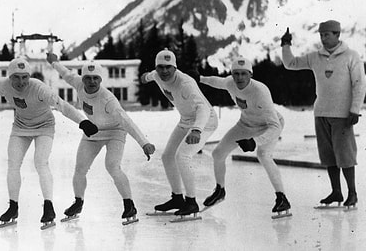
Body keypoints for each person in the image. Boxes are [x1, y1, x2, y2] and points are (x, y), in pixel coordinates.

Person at [0, 57, 98, 229]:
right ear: (10, 77)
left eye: (25, 77)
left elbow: (62, 105)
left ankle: (48, 207)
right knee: (13, 164)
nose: (21, 82)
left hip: (44, 127)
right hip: (21, 127)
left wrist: (82, 122)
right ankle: (13, 207)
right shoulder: (4, 85)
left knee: (41, 162)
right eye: (16, 77)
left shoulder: (39, 88)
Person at [46, 53, 156, 224]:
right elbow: (66, 74)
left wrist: (144, 143)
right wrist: (54, 62)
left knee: (112, 166)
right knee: (80, 168)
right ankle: (78, 202)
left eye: (95, 78)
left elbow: (126, 121)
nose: (91, 82)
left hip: (115, 132)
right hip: (93, 132)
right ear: (83, 79)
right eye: (88, 78)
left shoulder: (108, 99)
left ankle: (129, 204)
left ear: (100, 79)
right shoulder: (78, 84)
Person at [281, 20, 366, 208]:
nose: (323, 38)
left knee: (345, 155)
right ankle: (336, 192)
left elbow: (359, 84)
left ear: (337, 34)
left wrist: (354, 109)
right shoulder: (315, 57)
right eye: (321, 35)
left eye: (326, 34)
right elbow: (291, 64)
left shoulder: (351, 56)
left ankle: (352, 193)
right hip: (321, 113)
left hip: (343, 115)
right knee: (328, 156)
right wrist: (285, 45)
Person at [199, 57, 291, 216]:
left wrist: (255, 142)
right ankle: (220, 190)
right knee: (218, 154)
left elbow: (275, 126)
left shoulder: (261, 92)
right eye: (236, 73)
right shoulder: (230, 82)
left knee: (263, 155)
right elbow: (217, 81)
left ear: (251, 74)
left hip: (268, 125)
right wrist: (199, 79)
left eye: (243, 74)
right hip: (246, 124)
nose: (239, 78)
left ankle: (282, 198)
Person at [140, 49, 218, 219]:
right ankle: (177, 198)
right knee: (167, 157)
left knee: (183, 156)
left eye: (168, 67)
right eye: (161, 67)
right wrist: (145, 77)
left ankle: (191, 202)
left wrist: (197, 130)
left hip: (205, 121)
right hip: (185, 120)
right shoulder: (157, 75)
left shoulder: (186, 83)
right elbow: (148, 76)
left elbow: (203, 109)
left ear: (175, 68)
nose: (164, 71)